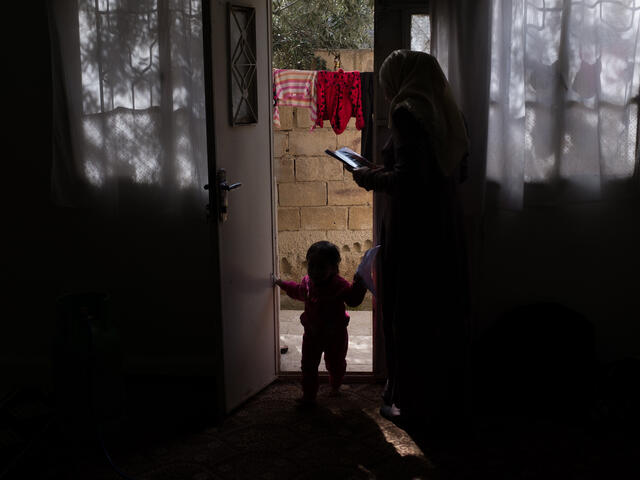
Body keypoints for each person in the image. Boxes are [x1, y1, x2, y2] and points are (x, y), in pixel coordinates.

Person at [350, 50, 470, 429]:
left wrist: (369, 177)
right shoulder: (447, 112)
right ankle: (440, 399)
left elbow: (408, 182)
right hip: (443, 225)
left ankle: (411, 402)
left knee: (409, 313)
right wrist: (386, 169)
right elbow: (449, 172)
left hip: (413, 229)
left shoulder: (406, 113)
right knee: (437, 312)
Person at [274, 241, 367, 405]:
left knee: (336, 363)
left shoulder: (339, 285)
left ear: (333, 268)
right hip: (312, 334)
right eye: (312, 266)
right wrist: (282, 284)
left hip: (335, 336)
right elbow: (298, 291)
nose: (315, 271)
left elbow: (353, 300)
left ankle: (335, 386)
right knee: (308, 366)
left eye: (322, 267)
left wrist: (360, 284)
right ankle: (308, 396)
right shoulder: (308, 283)